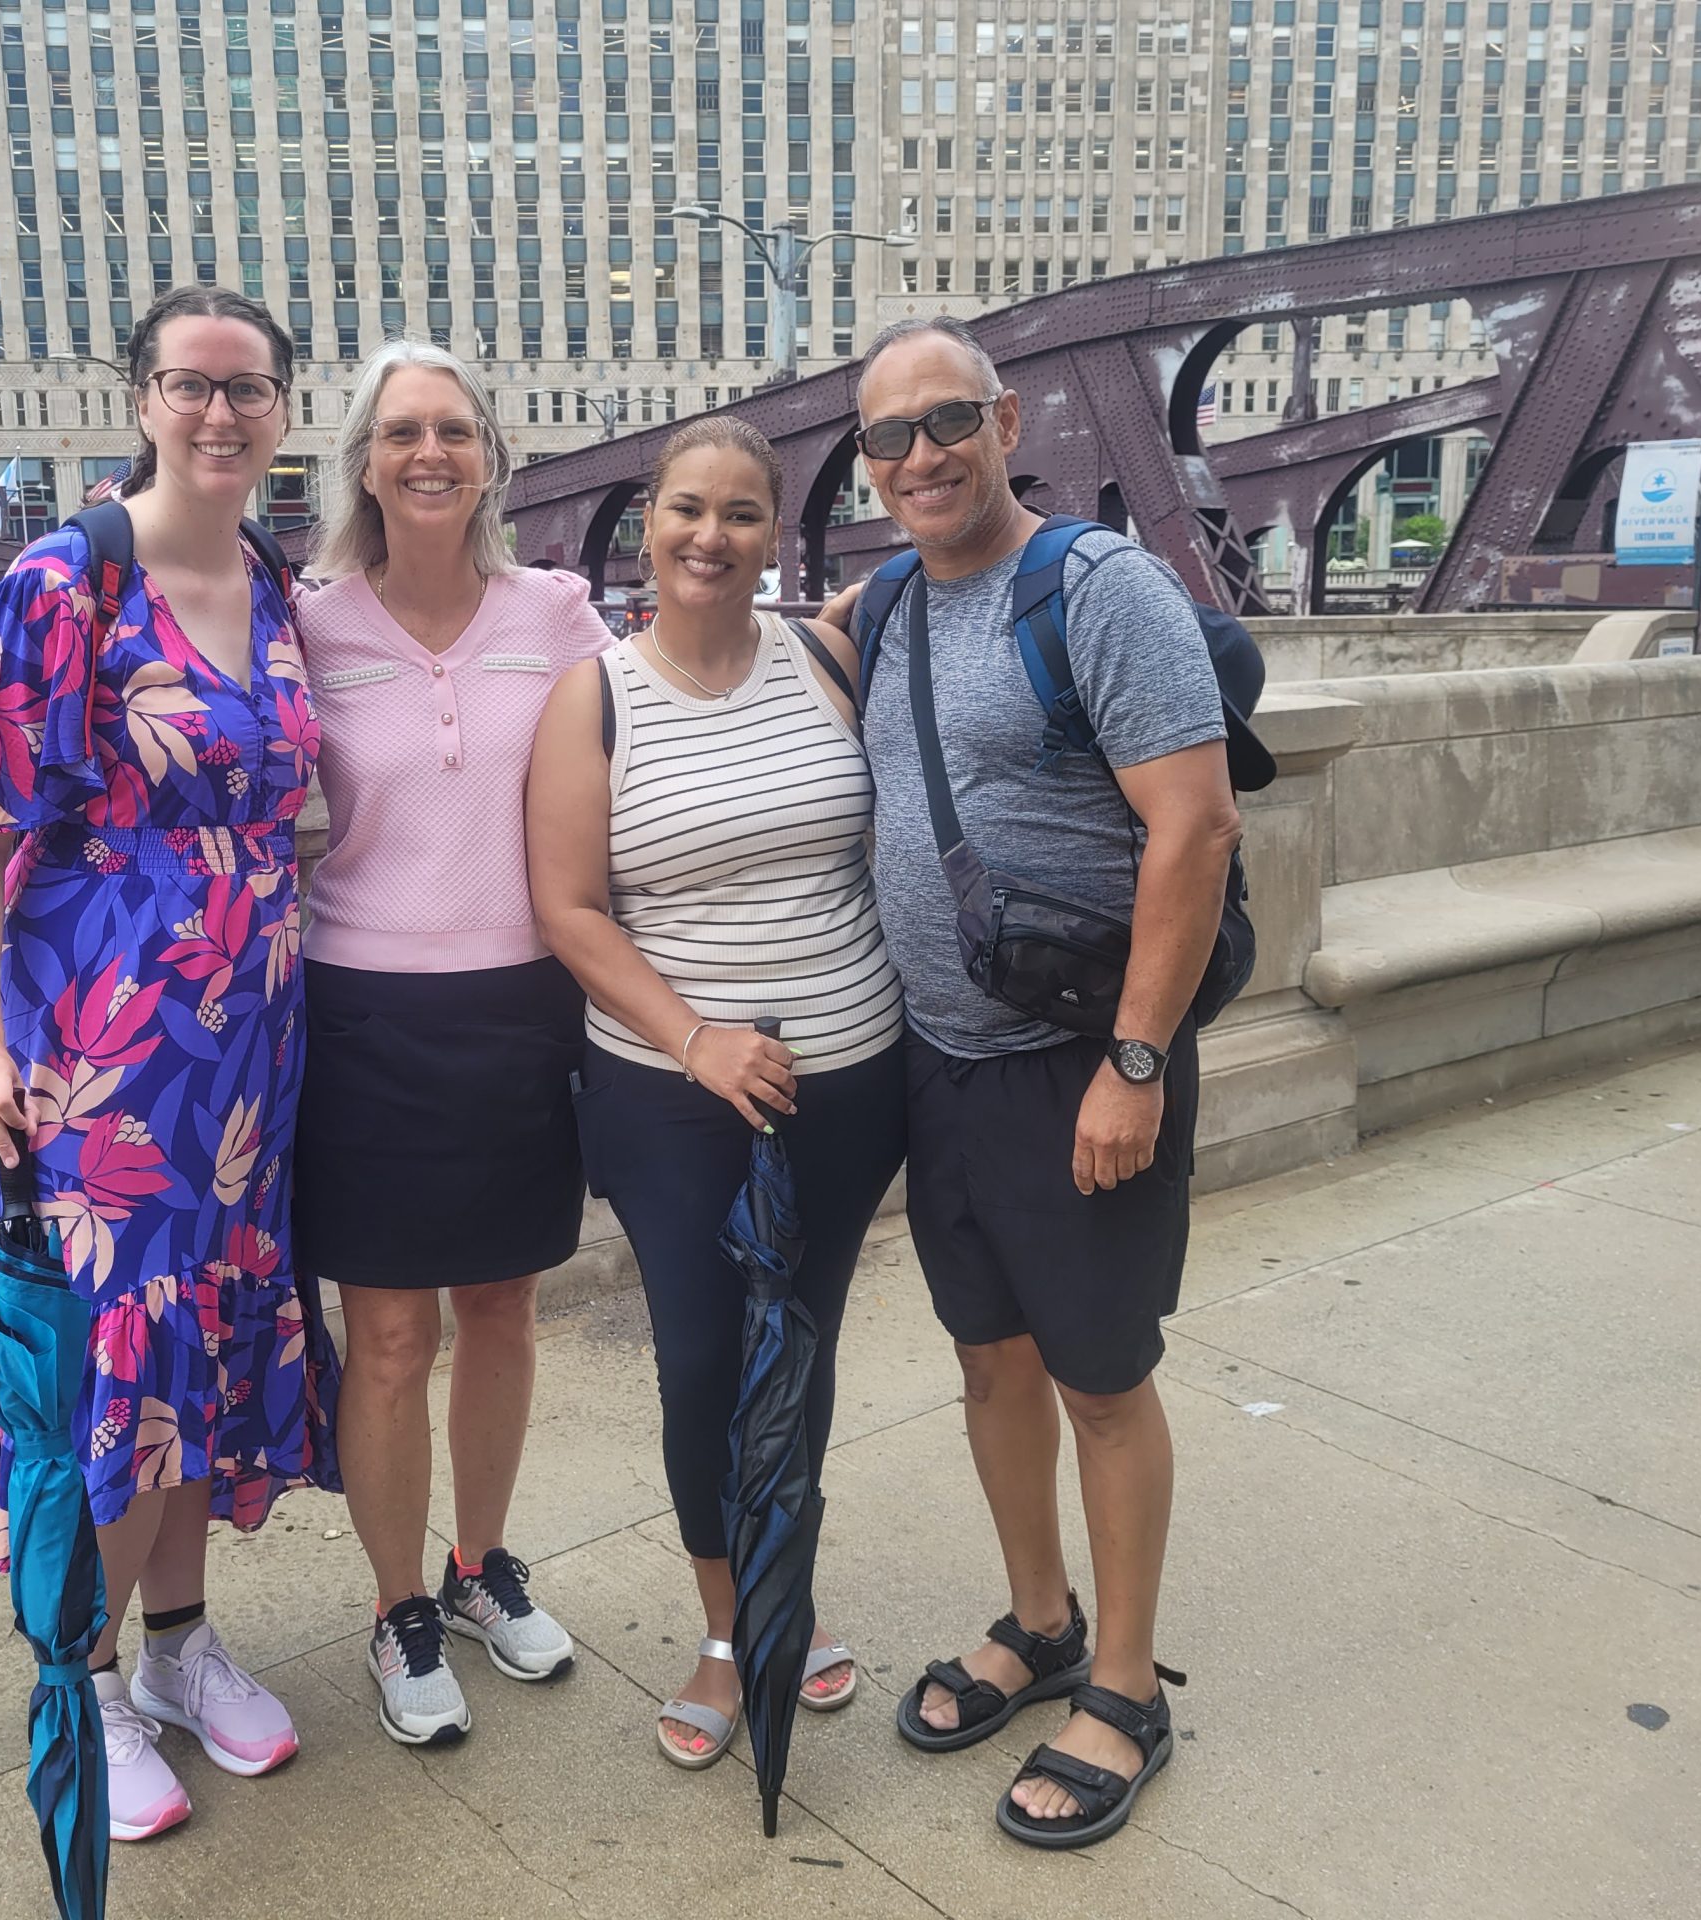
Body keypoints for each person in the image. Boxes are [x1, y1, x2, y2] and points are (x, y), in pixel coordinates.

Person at [0, 285, 338, 1844]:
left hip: (245, 1059)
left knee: (204, 1351)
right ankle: (83, 1673)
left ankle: (179, 1644)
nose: (219, 413)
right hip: (101, 1054)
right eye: (189, 384)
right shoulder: (66, 579)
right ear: (142, 396)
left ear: (284, 407)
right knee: (109, 1362)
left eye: (249, 388)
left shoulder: (272, 578)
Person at [852, 317, 1240, 1850]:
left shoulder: (1098, 589)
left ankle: (1128, 1692)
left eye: (948, 420)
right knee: (990, 1363)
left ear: (1006, 422)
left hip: (1084, 1060)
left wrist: (1136, 1064)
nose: (922, 456)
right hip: (940, 1062)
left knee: (1100, 1379)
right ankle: (1042, 1620)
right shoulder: (888, 602)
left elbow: (1195, 828)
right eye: (889, 436)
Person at [526, 416, 904, 1774]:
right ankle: (730, 1629)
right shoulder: (594, 696)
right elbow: (569, 909)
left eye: (743, 513)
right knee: (701, 1358)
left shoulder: (828, 657)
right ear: (649, 521)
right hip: (672, 1096)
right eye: (688, 508)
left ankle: (789, 1580)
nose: (712, 535)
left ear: (774, 532)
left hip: (853, 1079)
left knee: (802, 1345)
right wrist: (697, 1040)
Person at [294, 339, 608, 1747]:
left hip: (523, 1005)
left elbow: (648, 738)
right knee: (385, 1336)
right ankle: (396, 1604)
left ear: (490, 458)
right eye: (403, 431)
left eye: (457, 430)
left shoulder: (557, 611)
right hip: (362, 1010)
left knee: (501, 1308)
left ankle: (481, 1566)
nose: (431, 453)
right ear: (364, 460)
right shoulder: (305, 624)